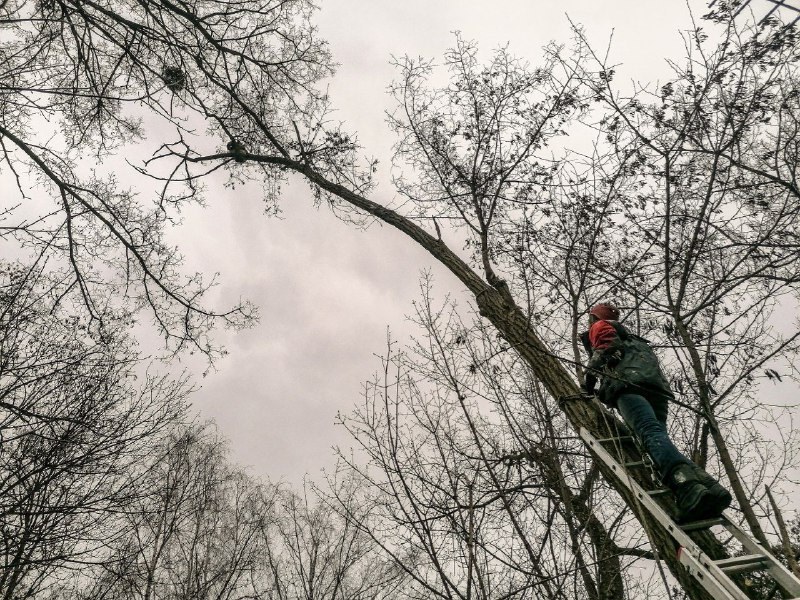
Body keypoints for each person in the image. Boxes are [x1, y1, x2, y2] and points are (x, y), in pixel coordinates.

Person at [580, 302, 732, 523]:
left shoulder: (600, 326)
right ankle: (710, 487)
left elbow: (606, 345)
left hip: (628, 387)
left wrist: (589, 378)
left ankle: (687, 487)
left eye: (590, 318)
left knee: (650, 435)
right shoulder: (636, 342)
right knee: (658, 438)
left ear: (595, 317)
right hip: (656, 392)